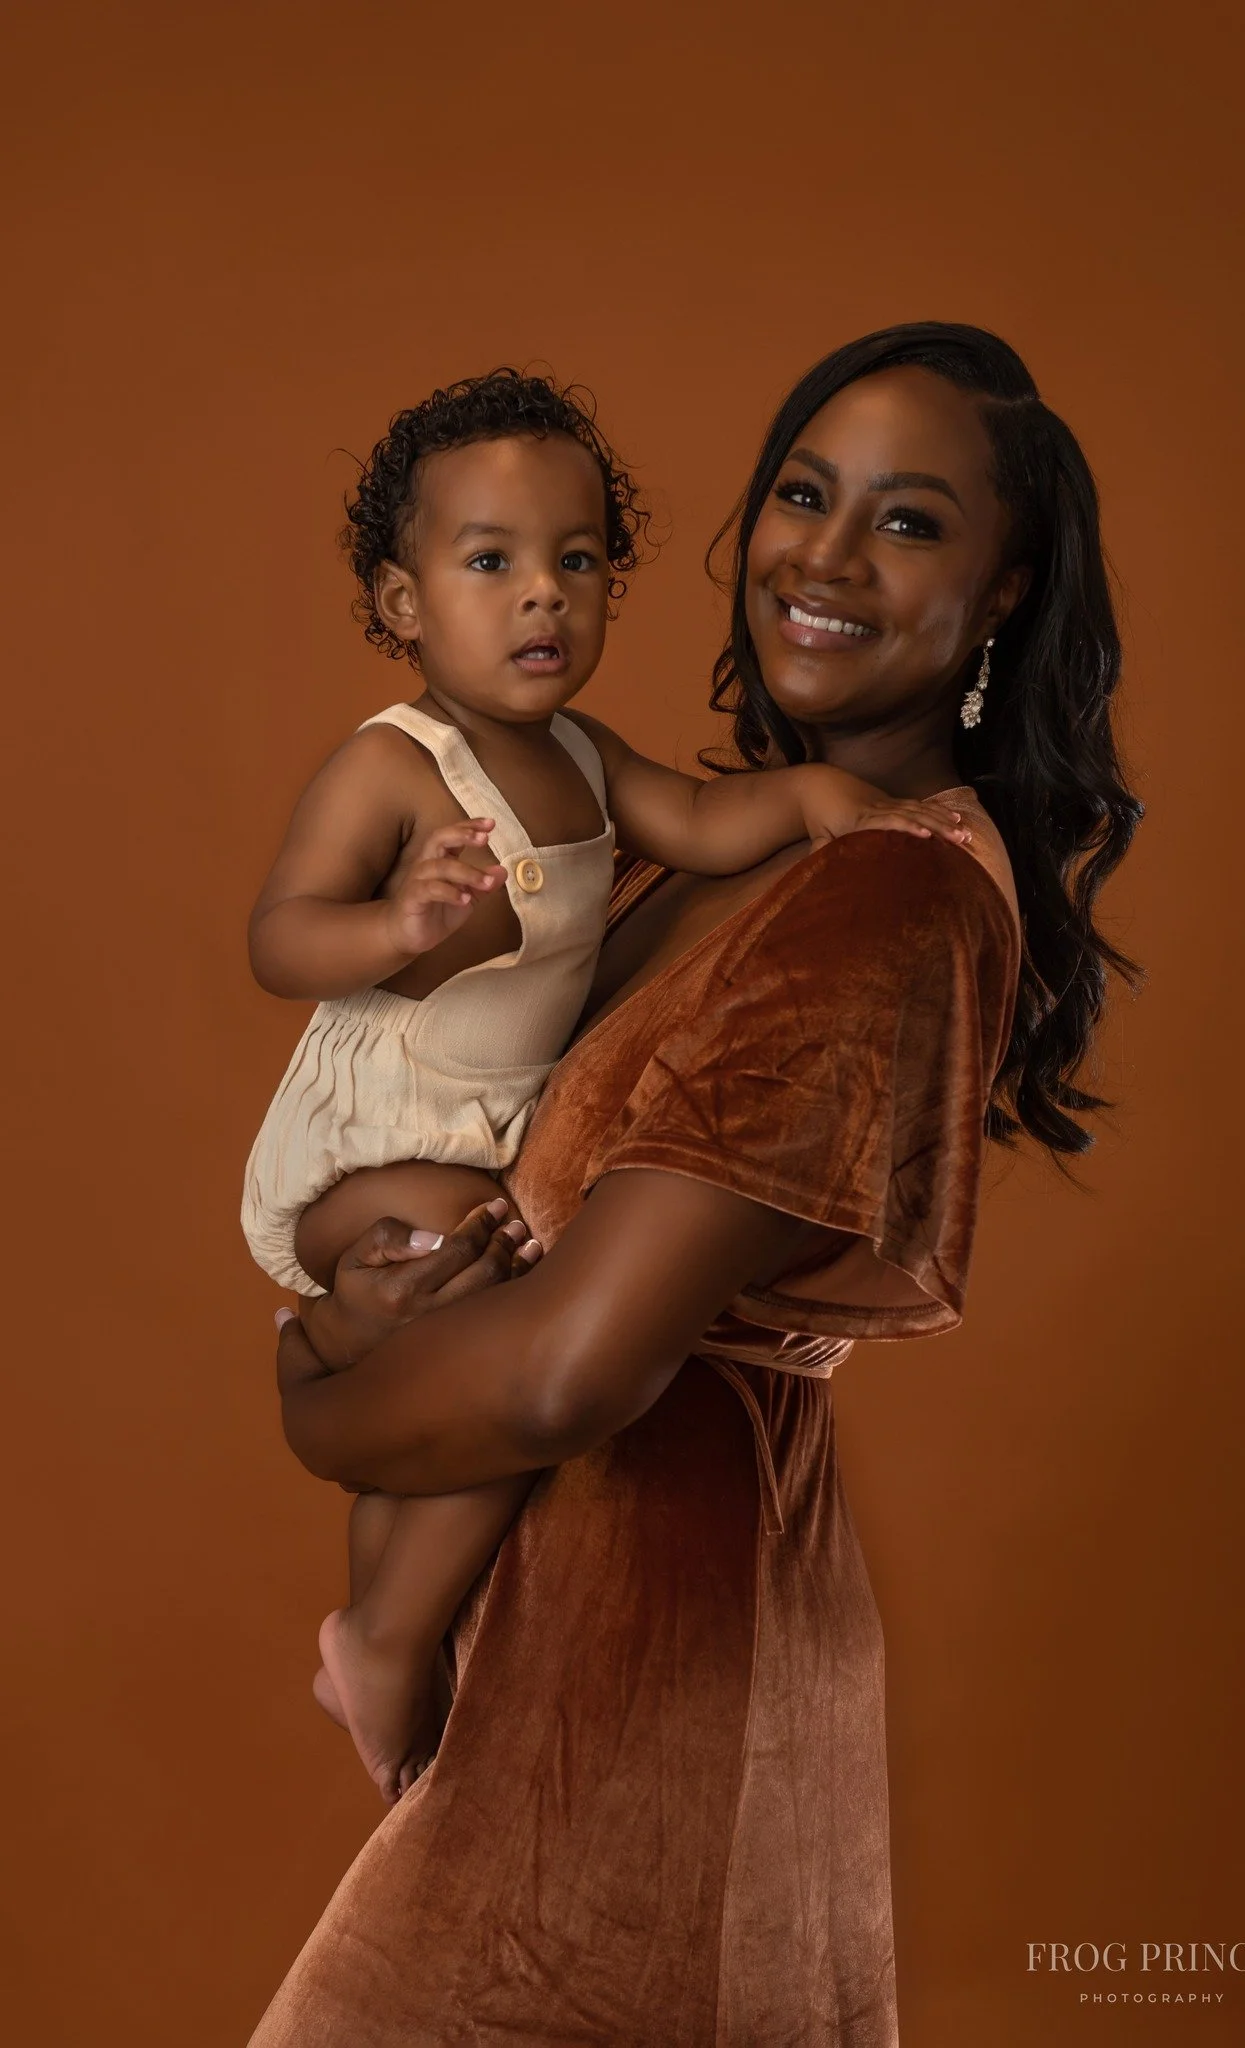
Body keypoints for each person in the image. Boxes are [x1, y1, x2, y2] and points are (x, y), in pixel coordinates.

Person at [250, 322, 1141, 2046]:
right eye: (804, 494)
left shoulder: (893, 900)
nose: (822, 552)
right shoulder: (691, 838)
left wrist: (309, 1383)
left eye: (907, 521)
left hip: (657, 1664)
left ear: (1006, 592)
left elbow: (569, 1365)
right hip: (557, 1629)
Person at [242, 369, 971, 1806]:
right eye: (493, 563)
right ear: (402, 603)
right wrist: (396, 929)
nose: (543, 601)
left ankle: (376, 1610)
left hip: (475, 1134)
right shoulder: (397, 767)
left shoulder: (583, 759)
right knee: (497, 1310)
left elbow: (704, 822)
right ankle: (382, 1608)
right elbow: (279, 936)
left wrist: (827, 806)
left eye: (577, 564)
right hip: (377, 1133)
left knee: (472, 1331)